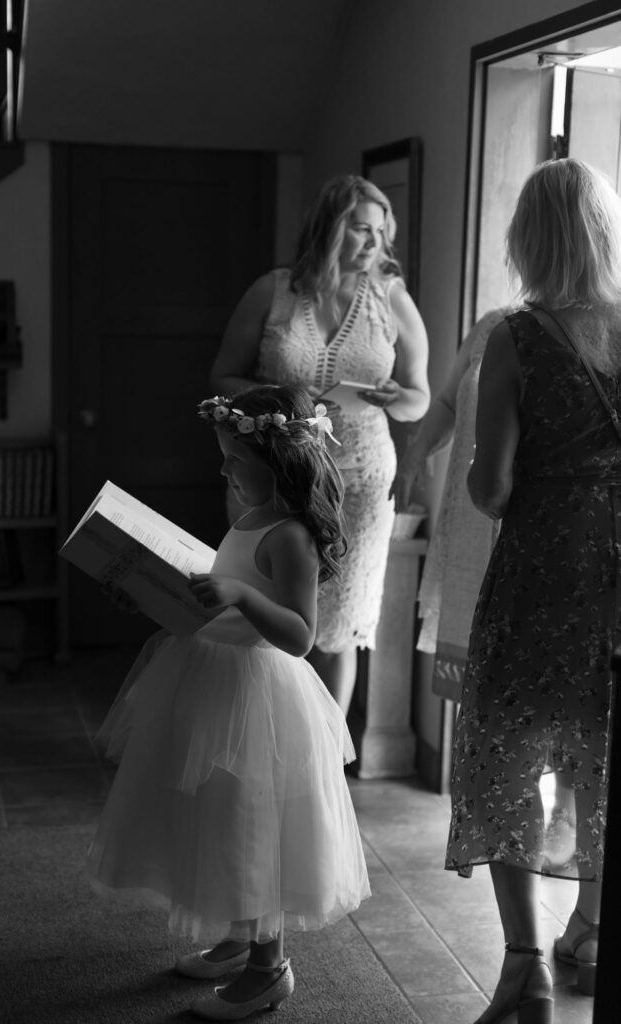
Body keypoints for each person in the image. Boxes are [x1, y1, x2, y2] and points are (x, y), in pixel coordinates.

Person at [87, 384, 370, 1021]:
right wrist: (155, 593)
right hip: (213, 678)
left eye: (233, 460)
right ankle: (243, 938)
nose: (222, 470)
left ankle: (270, 969)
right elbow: (221, 597)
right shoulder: (249, 519)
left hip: (260, 695)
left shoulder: (290, 536)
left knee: (252, 821)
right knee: (221, 815)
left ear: (276, 463)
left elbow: (300, 635)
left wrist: (238, 597)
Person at [445, 157, 620, 1024]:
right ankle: (589, 927)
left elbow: (493, 488)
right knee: (603, 745)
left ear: (527, 238)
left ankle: (526, 967)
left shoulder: (518, 336)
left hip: (543, 572)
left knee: (504, 747)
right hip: (618, 574)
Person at [210, 174, 430, 714]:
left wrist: (396, 394)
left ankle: (323, 764)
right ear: (329, 228)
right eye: (360, 229)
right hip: (273, 477)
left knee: (337, 624)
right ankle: (266, 740)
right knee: (266, 605)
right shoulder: (274, 291)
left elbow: (420, 399)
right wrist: (289, 398)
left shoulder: (392, 300)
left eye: (381, 232)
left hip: (359, 478)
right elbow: (222, 377)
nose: (374, 243)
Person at [393, 308, 509, 699]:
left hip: (521, 522)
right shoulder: (495, 323)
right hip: (468, 518)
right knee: (470, 689)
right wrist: (414, 456)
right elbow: (447, 403)